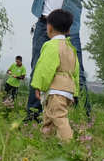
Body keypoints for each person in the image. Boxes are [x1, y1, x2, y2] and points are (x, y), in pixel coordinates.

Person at [31, 8, 78, 142]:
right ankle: (47, 142)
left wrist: (38, 85)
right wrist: (75, 92)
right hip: (67, 89)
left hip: (56, 89)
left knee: (59, 118)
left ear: (49, 27)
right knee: (49, 118)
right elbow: (76, 71)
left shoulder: (51, 45)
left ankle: (69, 144)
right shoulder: (71, 48)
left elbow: (45, 68)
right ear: (68, 30)